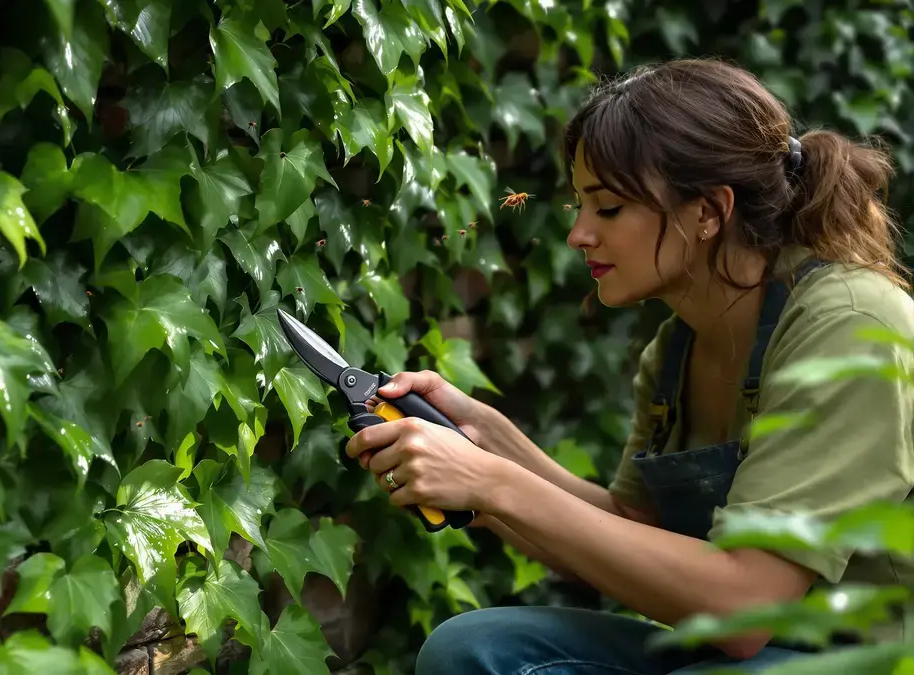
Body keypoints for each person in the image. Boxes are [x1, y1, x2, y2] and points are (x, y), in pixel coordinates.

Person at [345, 57, 914, 674]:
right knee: (472, 651)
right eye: (580, 208)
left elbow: (748, 604)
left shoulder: (851, 325)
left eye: (608, 209)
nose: (579, 235)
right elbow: (630, 529)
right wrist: (489, 444)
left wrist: (495, 482)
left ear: (708, 212)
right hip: (730, 652)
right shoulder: (677, 347)